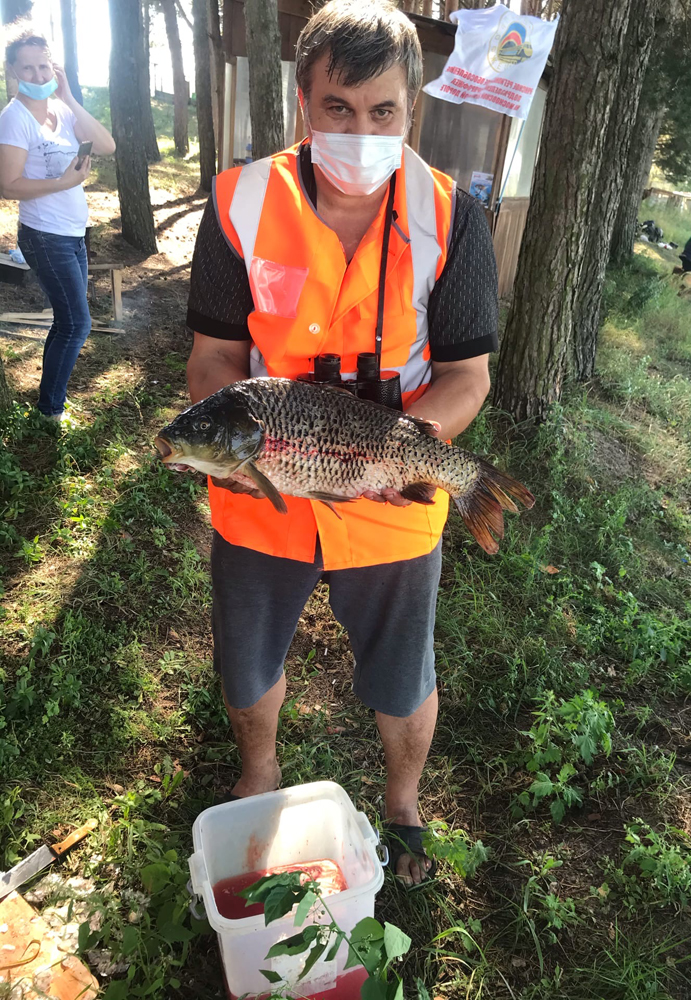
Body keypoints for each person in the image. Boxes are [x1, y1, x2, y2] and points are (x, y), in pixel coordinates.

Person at [185, 0, 499, 885]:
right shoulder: (240, 202)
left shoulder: (451, 216)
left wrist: (400, 451)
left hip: (395, 490)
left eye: (383, 113)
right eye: (339, 109)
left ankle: (402, 803)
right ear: (303, 102)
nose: (361, 130)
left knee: (403, 675)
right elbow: (212, 361)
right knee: (247, 665)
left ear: (411, 112)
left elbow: (467, 377)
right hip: (264, 493)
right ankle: (260, 770)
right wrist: (243, 452)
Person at [0, 31, 115, 421]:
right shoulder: (13, 119)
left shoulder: (62, 111)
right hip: (44, 236)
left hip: (73, 233)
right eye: (27, 66)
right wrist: (64, 182)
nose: (36, 73)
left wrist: (68, 97)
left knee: (67, 322)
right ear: (13, 71)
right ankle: (49, 410)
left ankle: (50, 402)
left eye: (43, 65)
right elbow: (7, 186)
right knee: (77, 323)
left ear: (54, 67)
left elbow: (106, 145)